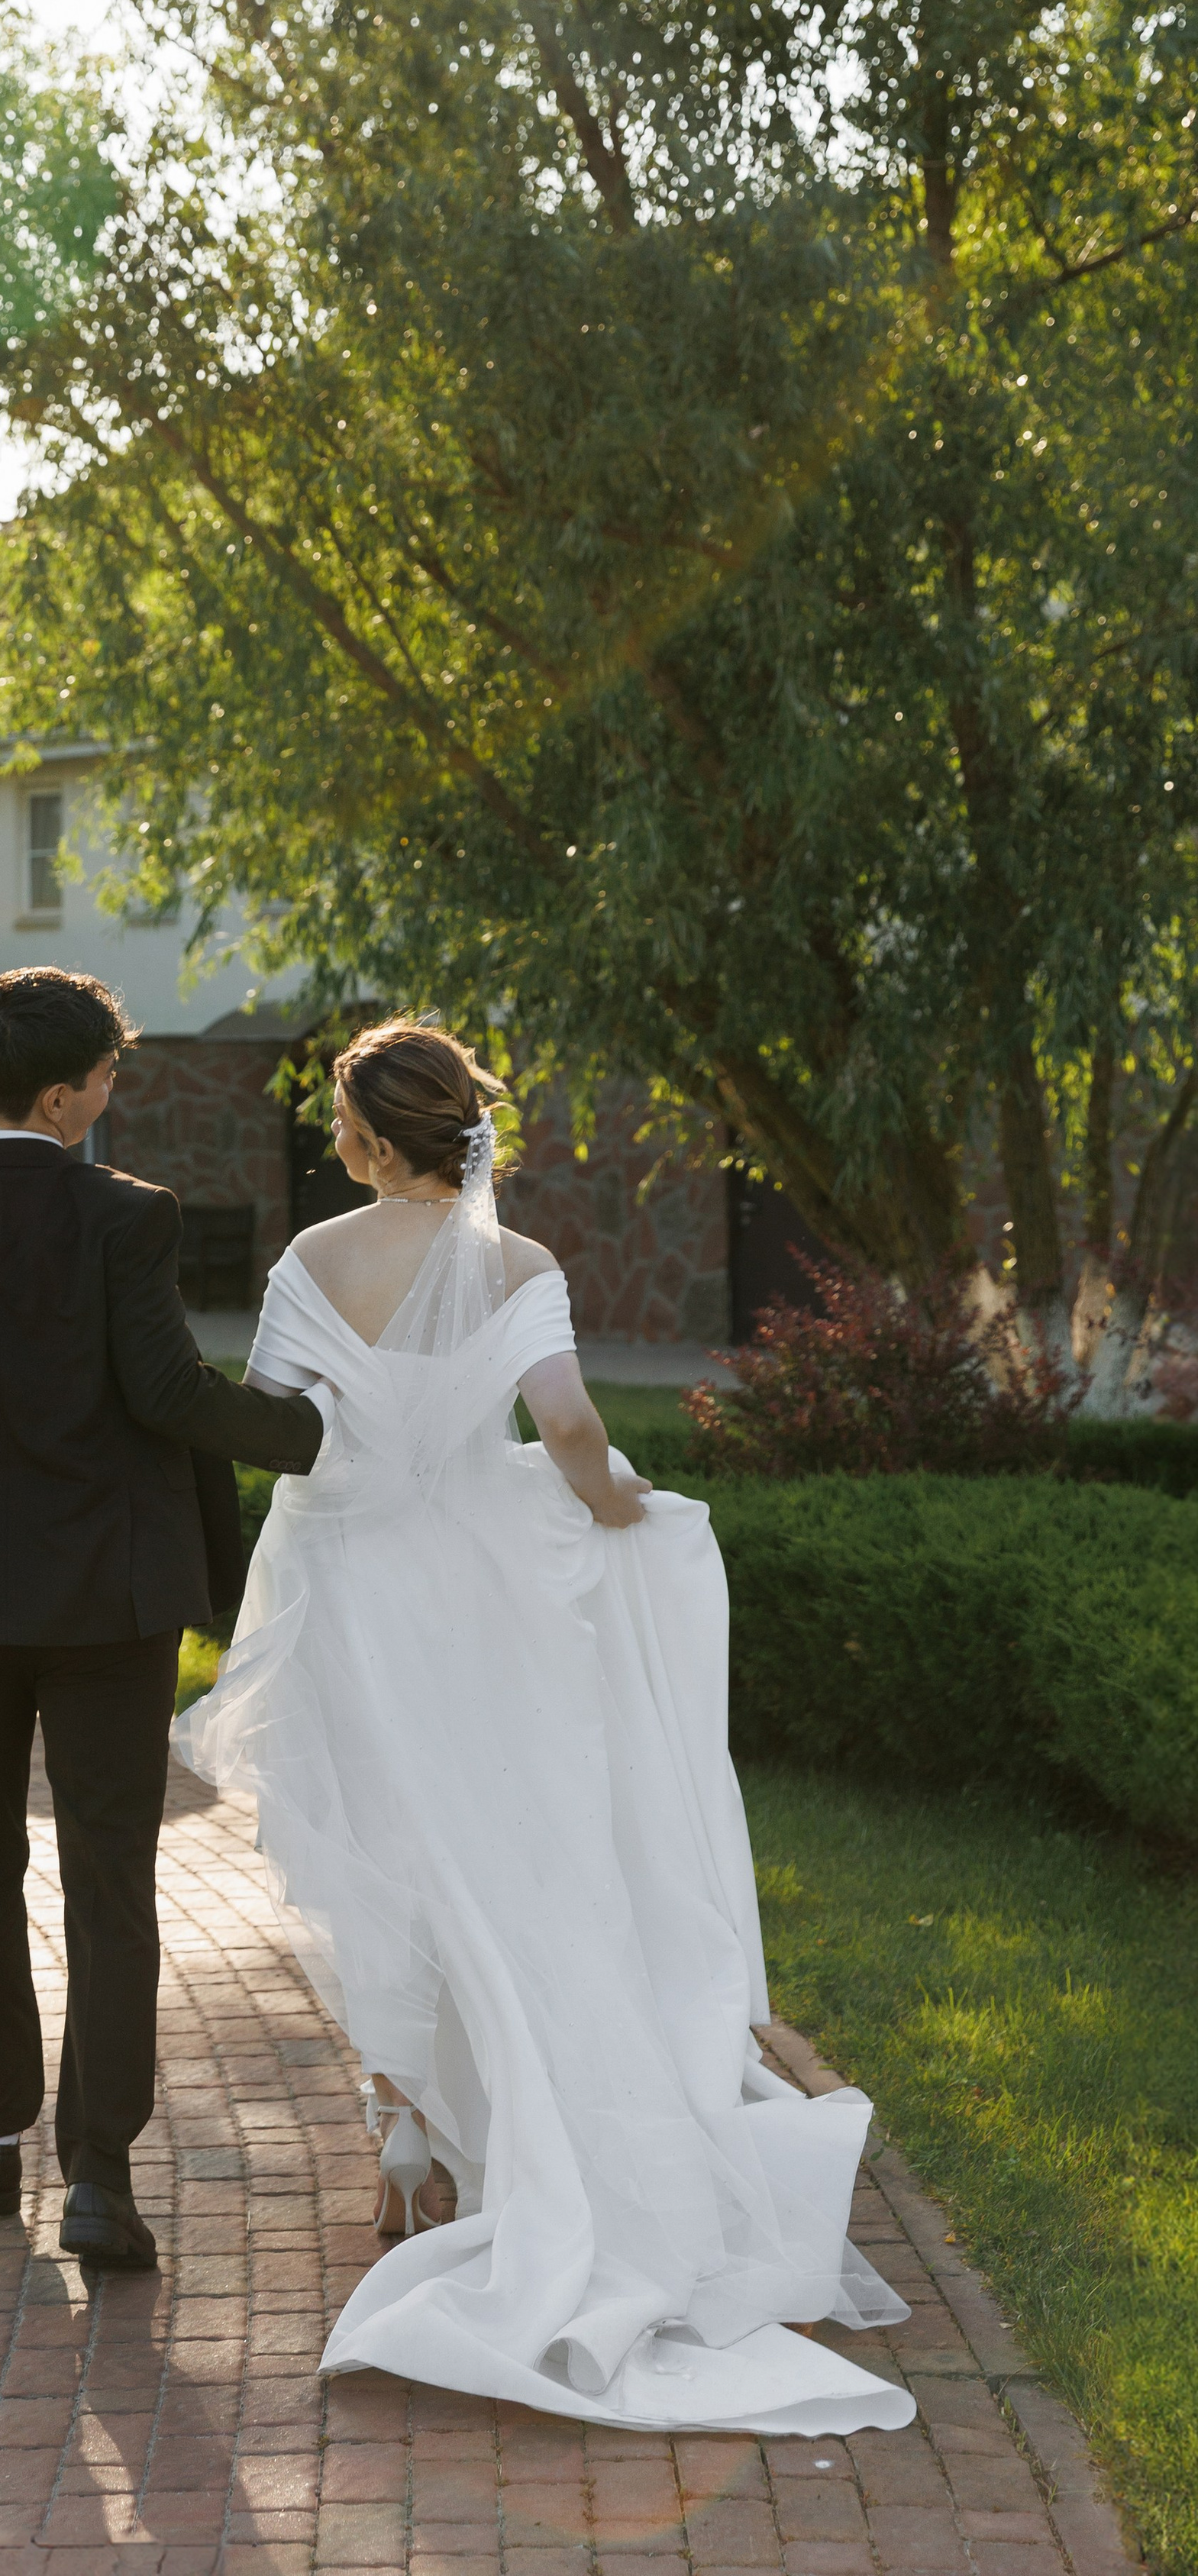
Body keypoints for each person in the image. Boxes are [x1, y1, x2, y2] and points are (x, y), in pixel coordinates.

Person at [175, 1017, 916, 2436]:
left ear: (371, 1139)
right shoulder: (520, 1266)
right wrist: (623, 1509)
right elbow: (569, 1430)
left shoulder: (309, 1263)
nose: (333, 1141)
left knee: (384, 1855)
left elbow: (276, 1426)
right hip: (481, 1591)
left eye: (340, 1120)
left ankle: (401, 2128)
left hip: (343, 1582)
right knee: (503, 1858)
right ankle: (492, 2128)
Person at [0, 966, 329, 2274]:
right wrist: (311, 1430)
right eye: (104, 1077)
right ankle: (100, 2179)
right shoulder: (125, 1218)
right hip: (109, 1595)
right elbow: (164, 1389)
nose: (110, 1095)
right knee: (109, 1876)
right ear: (57, 1094)